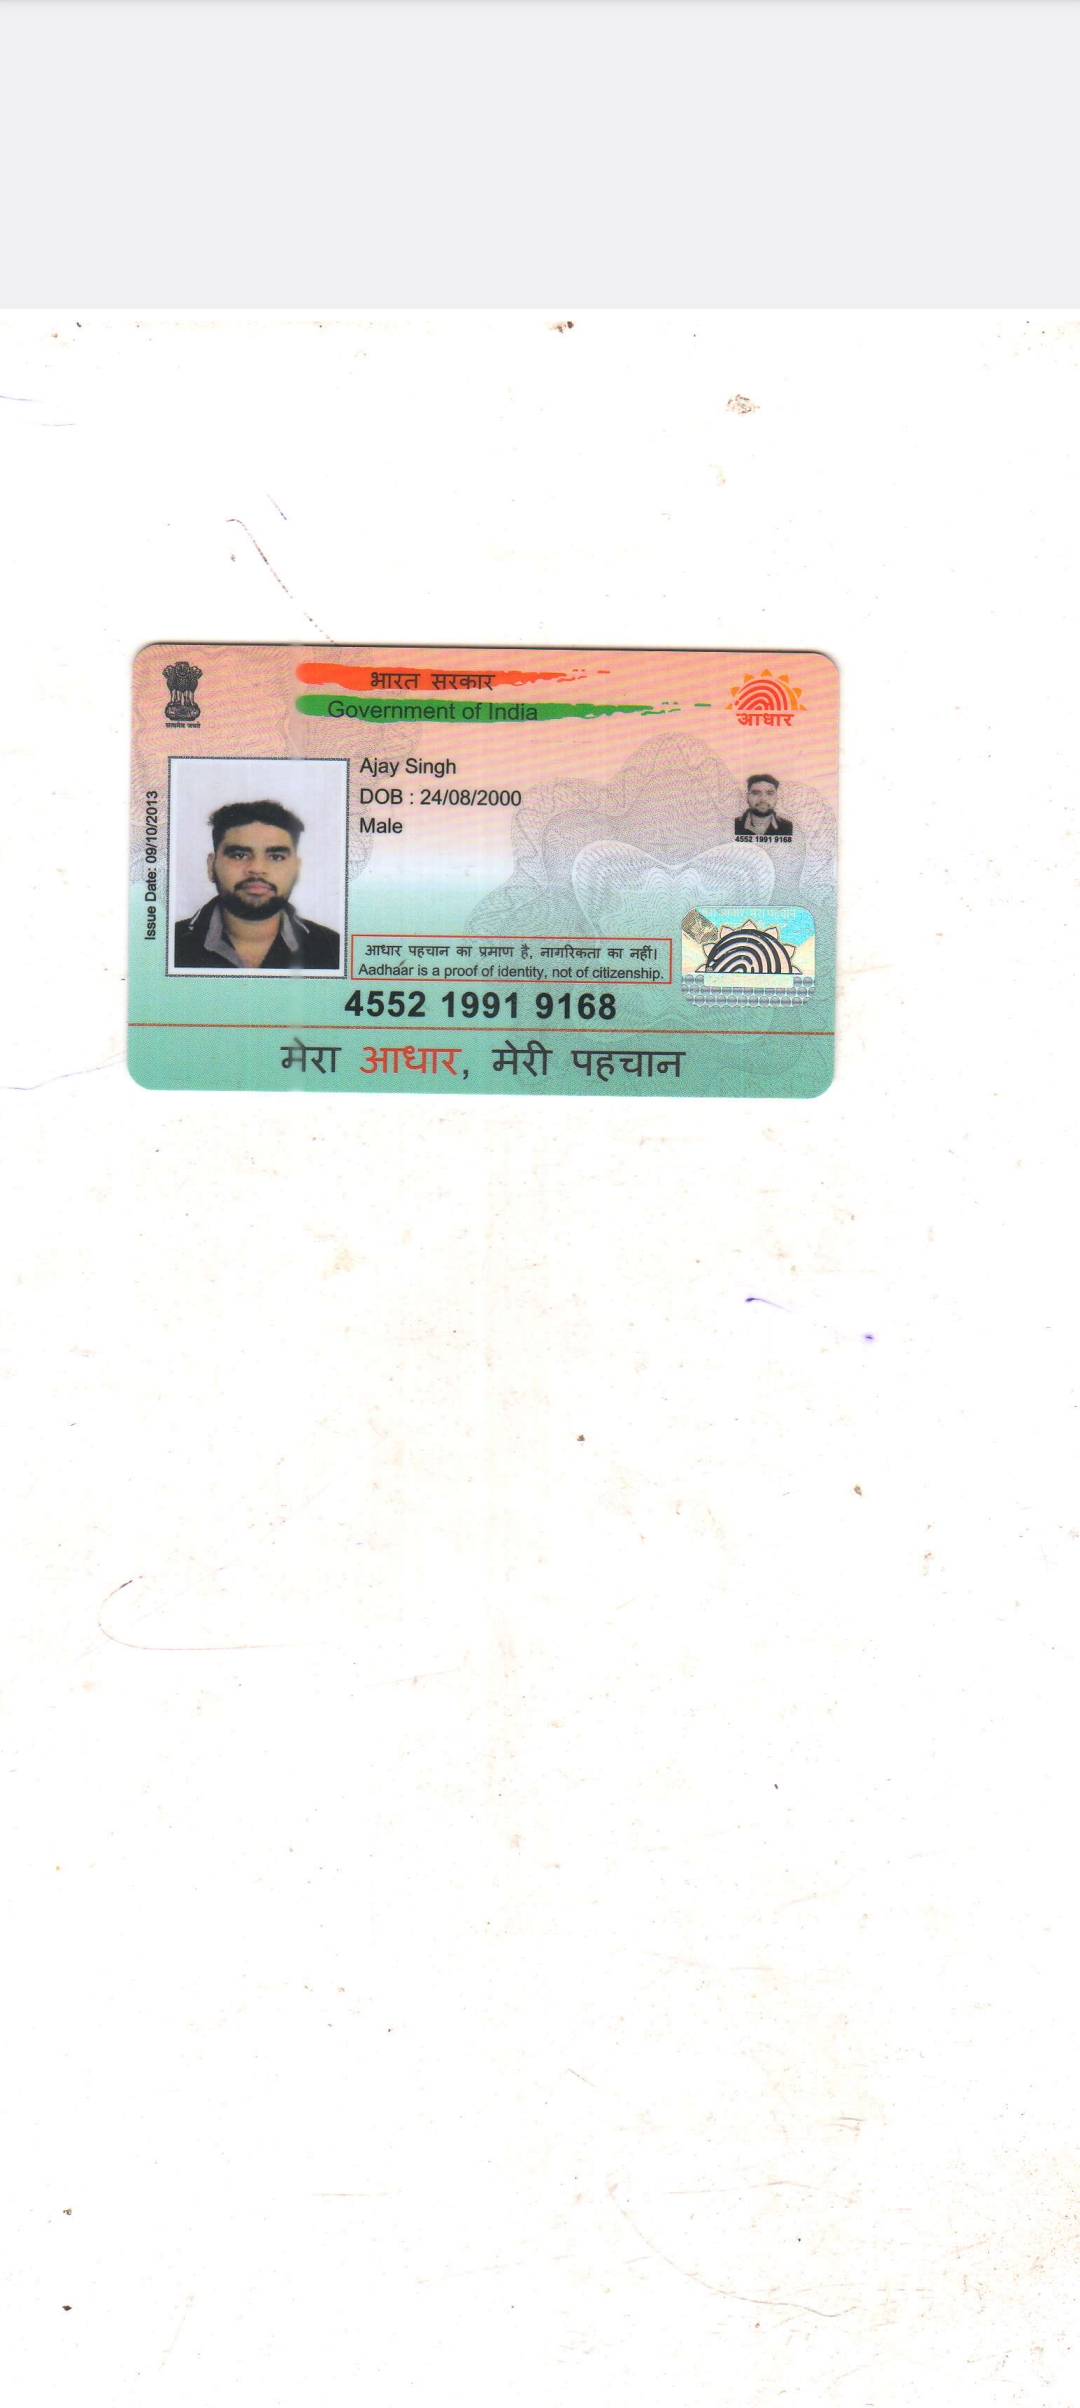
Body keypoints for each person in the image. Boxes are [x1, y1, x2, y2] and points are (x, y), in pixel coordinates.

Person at [173, 801, 340, 969]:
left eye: (276, 857)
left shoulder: (334, 949)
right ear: (212, 866)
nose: (257, 869)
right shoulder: (168, 944)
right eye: (239, 855)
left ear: (296, 870)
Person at [734, 775, 793, 841]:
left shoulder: (788, 827)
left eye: (769, 793)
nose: (763, 799)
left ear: (776, 797)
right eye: (756, 793)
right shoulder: (732, 826)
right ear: (747, 796)